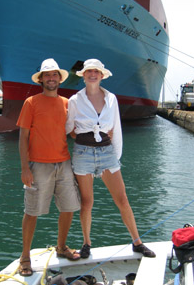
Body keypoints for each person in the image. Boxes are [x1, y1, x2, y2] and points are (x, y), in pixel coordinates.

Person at [66, 59, 156, 259]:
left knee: (122, 199)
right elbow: (69, 128)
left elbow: (116, 127)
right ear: (83, 75)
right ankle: (86, 243)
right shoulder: (74, 101)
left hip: (107, 152)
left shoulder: (112, 99)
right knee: (87, 202)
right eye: (89, 71)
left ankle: (137, 242)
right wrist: (84, 139)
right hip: (83, 153)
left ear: (101, 75)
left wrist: (115, 155)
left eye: (96, 71)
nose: (92, 74)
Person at [16, 58, 81, 277]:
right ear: (41, 79)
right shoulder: (31, 102)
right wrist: (25, 168)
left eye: (54, 75)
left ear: (59, 79)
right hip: (38, 165)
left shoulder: (66, 103)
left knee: (69, 206)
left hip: (63, 163)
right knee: (32, 211)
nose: (51, 78)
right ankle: (25, 257)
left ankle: (61, 247)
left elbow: (72, 131)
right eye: (47, 75)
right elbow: (23, 136)